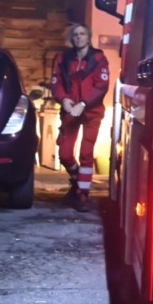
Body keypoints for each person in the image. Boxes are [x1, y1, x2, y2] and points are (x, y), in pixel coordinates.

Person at [50, 23, 110, 212]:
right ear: (72, 38)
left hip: (91, 112)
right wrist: (64, 99)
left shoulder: (99, 58)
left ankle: (82, 196)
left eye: (82, 34)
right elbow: (56, 82)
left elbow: (101, 86)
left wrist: (83, 104)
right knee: (65, 154)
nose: (78, 37)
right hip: (70, 111)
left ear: (88, 37)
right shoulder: (63, 59)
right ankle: (78, 182)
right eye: (75, 34)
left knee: (86, 154)